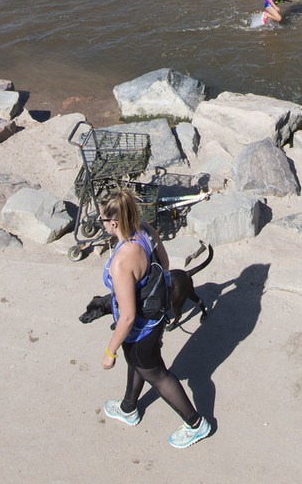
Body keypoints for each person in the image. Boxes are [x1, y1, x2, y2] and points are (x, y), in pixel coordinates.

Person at [96, 187, 212, 449]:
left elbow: (127, 318)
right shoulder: (146, 230)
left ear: (114, 222)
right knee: (139, 363)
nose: (101, 223)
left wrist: (110, 351)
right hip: (157, 317)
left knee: (158, 374)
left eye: (102, 219)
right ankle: (128, 407)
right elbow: (166, 266)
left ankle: (196, 424)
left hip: (139, 328)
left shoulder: (122, 262)